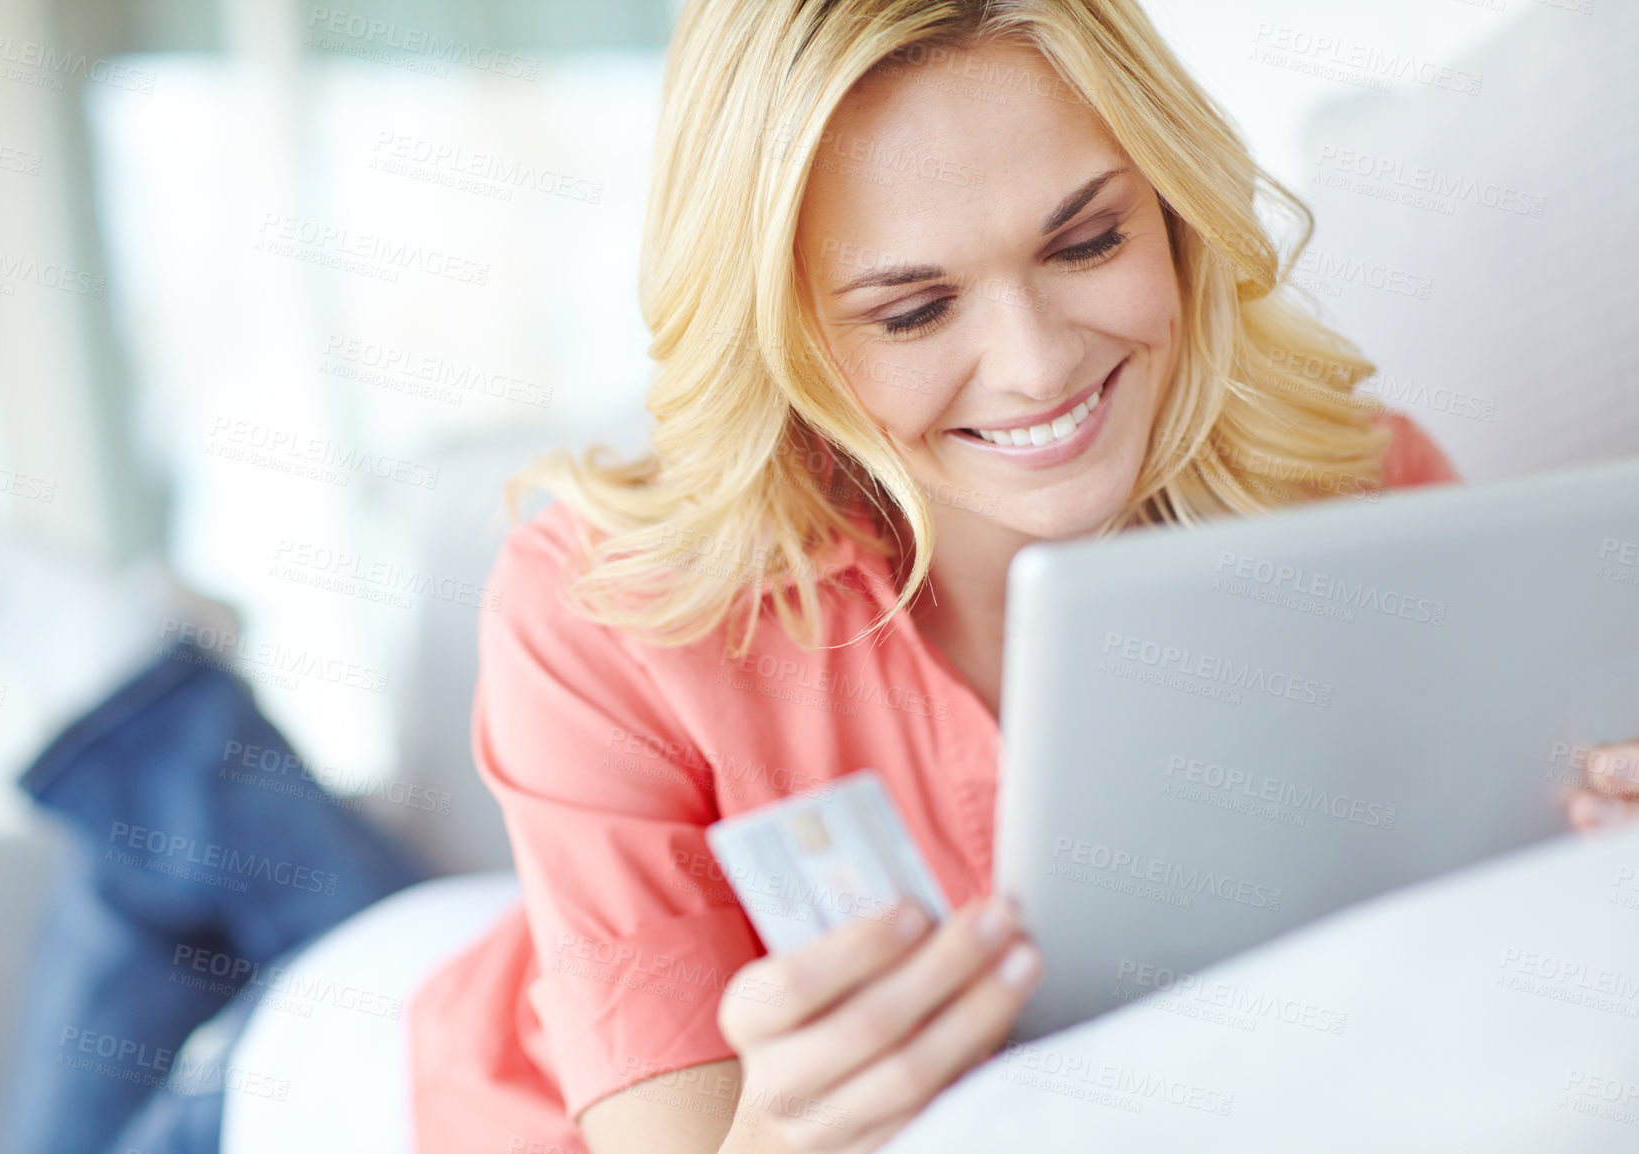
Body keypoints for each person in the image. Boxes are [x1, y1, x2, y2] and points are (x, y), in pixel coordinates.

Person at [406, 3, 1639, 1152]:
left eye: (1088, 239)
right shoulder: (607, 610)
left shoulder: (1358, 498)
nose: (1037, 363)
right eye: (911, 311)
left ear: (1170, 206)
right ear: (778, 328)